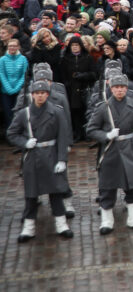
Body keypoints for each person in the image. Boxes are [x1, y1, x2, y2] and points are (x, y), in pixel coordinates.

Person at [7, 80, 73, 242]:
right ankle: (29, 228)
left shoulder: (56, 112)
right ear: (32, 95)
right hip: (33, 157)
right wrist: (24, 143)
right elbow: (12, 133)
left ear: (47, 94)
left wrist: (62, 159)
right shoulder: (25, 114)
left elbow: (63, 137)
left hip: (51, 155)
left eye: (43, 93)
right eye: (37, 93)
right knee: (31, 195)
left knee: (56, 193)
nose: (40, 96)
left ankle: (61, 224)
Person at [86, 74, 133, 234]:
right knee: (107, 187)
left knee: (132, 186)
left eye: (122, 87)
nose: (119, 90)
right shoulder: (102, 107)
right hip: (110, 151)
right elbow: (91, 129)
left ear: (127, 89)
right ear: (111, 89)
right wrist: (106, 136)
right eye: (116, 87)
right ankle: (107, 221)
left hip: (129, 148)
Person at [0, 38, 28, 130]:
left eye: (14, 46)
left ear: (18, 47)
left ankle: (19, 132)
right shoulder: (2, 59)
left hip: (19, 90)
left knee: (19, 112)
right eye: (10, 46)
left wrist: (16, 88)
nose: (12, 48)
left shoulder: (23, 59)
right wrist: (8, 88)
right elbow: (2, 74)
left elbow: (24, 75)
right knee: (8, 113)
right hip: (5, 91)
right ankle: (10, 134)